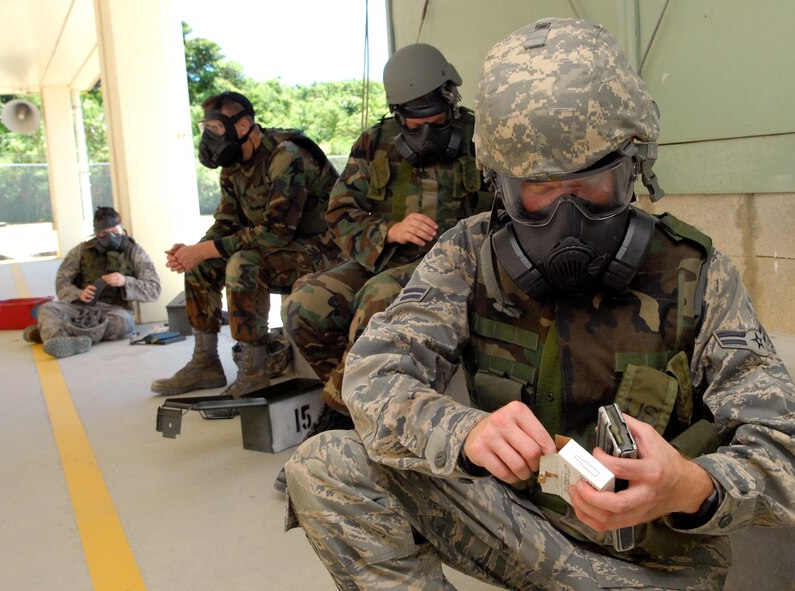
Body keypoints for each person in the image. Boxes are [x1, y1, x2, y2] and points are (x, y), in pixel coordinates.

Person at [284, 18, 795, 590]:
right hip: (514, 525)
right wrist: (461, 431)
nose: (566, 220)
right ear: (500, 184)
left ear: (633, 171)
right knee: (328, 465)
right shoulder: (470, 252)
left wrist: (691, 486)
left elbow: (783, 444)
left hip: (645, 565)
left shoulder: (697, 276)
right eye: (540, 190)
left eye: (590, 186)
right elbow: (374, 373)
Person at [277, 44, 493, 489]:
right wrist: (388, 231)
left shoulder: (483, 136)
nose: (424, 126)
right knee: (305, 303)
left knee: (377, 302)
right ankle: (363, 405)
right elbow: (339, 212)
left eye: (434, 115)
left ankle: (340, 418)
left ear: (450, 97)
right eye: (413, 118)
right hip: (385, 254)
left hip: (457, 263)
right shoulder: (375, 143)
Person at [151, 92, 343, 398]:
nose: (208, 136)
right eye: (206, 128)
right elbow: (227, 222)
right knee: (204, 263)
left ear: (241, 126)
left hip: (327, 253)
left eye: (214, 127)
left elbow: (276, 233)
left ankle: (253, 372)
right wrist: (193, 253)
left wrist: (202, 250)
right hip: (284, 251)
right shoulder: (234, 165)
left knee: (244, 262)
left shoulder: (287, 155)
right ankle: (205, 362)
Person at [23, 206, 161, 358]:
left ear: (121, 228)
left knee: (123, 323)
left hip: (114, 310)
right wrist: (79, 294)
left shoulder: (134, 251)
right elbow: (62, 282)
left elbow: (154, 290)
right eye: (103, 233)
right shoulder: (81, 251)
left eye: (114, 232)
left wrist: (125, 281)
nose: (110, 238)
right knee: (47, 309)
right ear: (96, 232)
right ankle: (61, 339)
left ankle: (58, 333)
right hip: (80, 307)